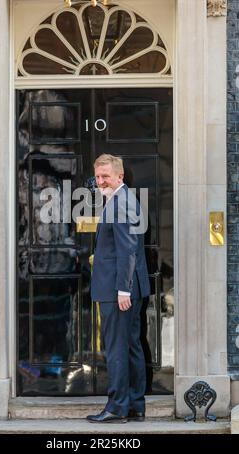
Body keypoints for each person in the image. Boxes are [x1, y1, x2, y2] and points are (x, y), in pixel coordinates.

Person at [87, 154, 151, 424]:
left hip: (119, 291)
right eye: (98, 176)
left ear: (119, 177)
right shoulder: (120, 199)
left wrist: (122, 291)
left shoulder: (120, 203)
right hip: (128, 287)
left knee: (116, 349)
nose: (100, 181)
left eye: (106, 176)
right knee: (131, 346)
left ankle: (116, 408)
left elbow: (127, 251)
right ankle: (135, 404)